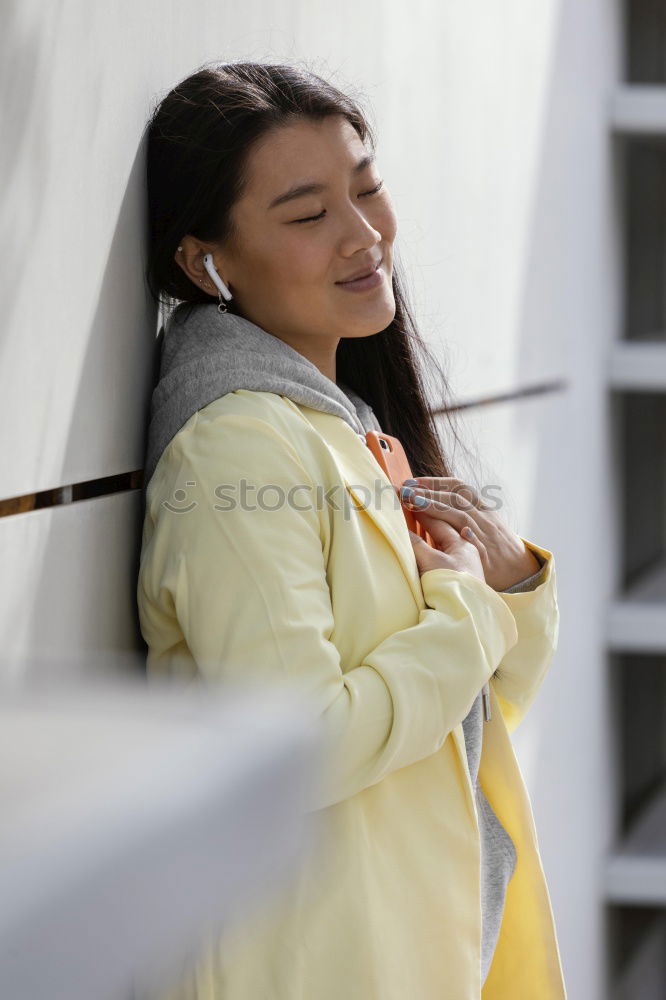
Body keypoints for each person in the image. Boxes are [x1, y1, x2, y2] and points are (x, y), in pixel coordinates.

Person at [137, 60, 567, 999]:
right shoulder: (238, 446)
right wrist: (466, 611)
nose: (365, 234)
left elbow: (462, 725)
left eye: (366, 189)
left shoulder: (346, 426)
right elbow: (304, 749)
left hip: (410, 950)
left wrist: (508, 591)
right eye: (308, 215)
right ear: (207, 260)